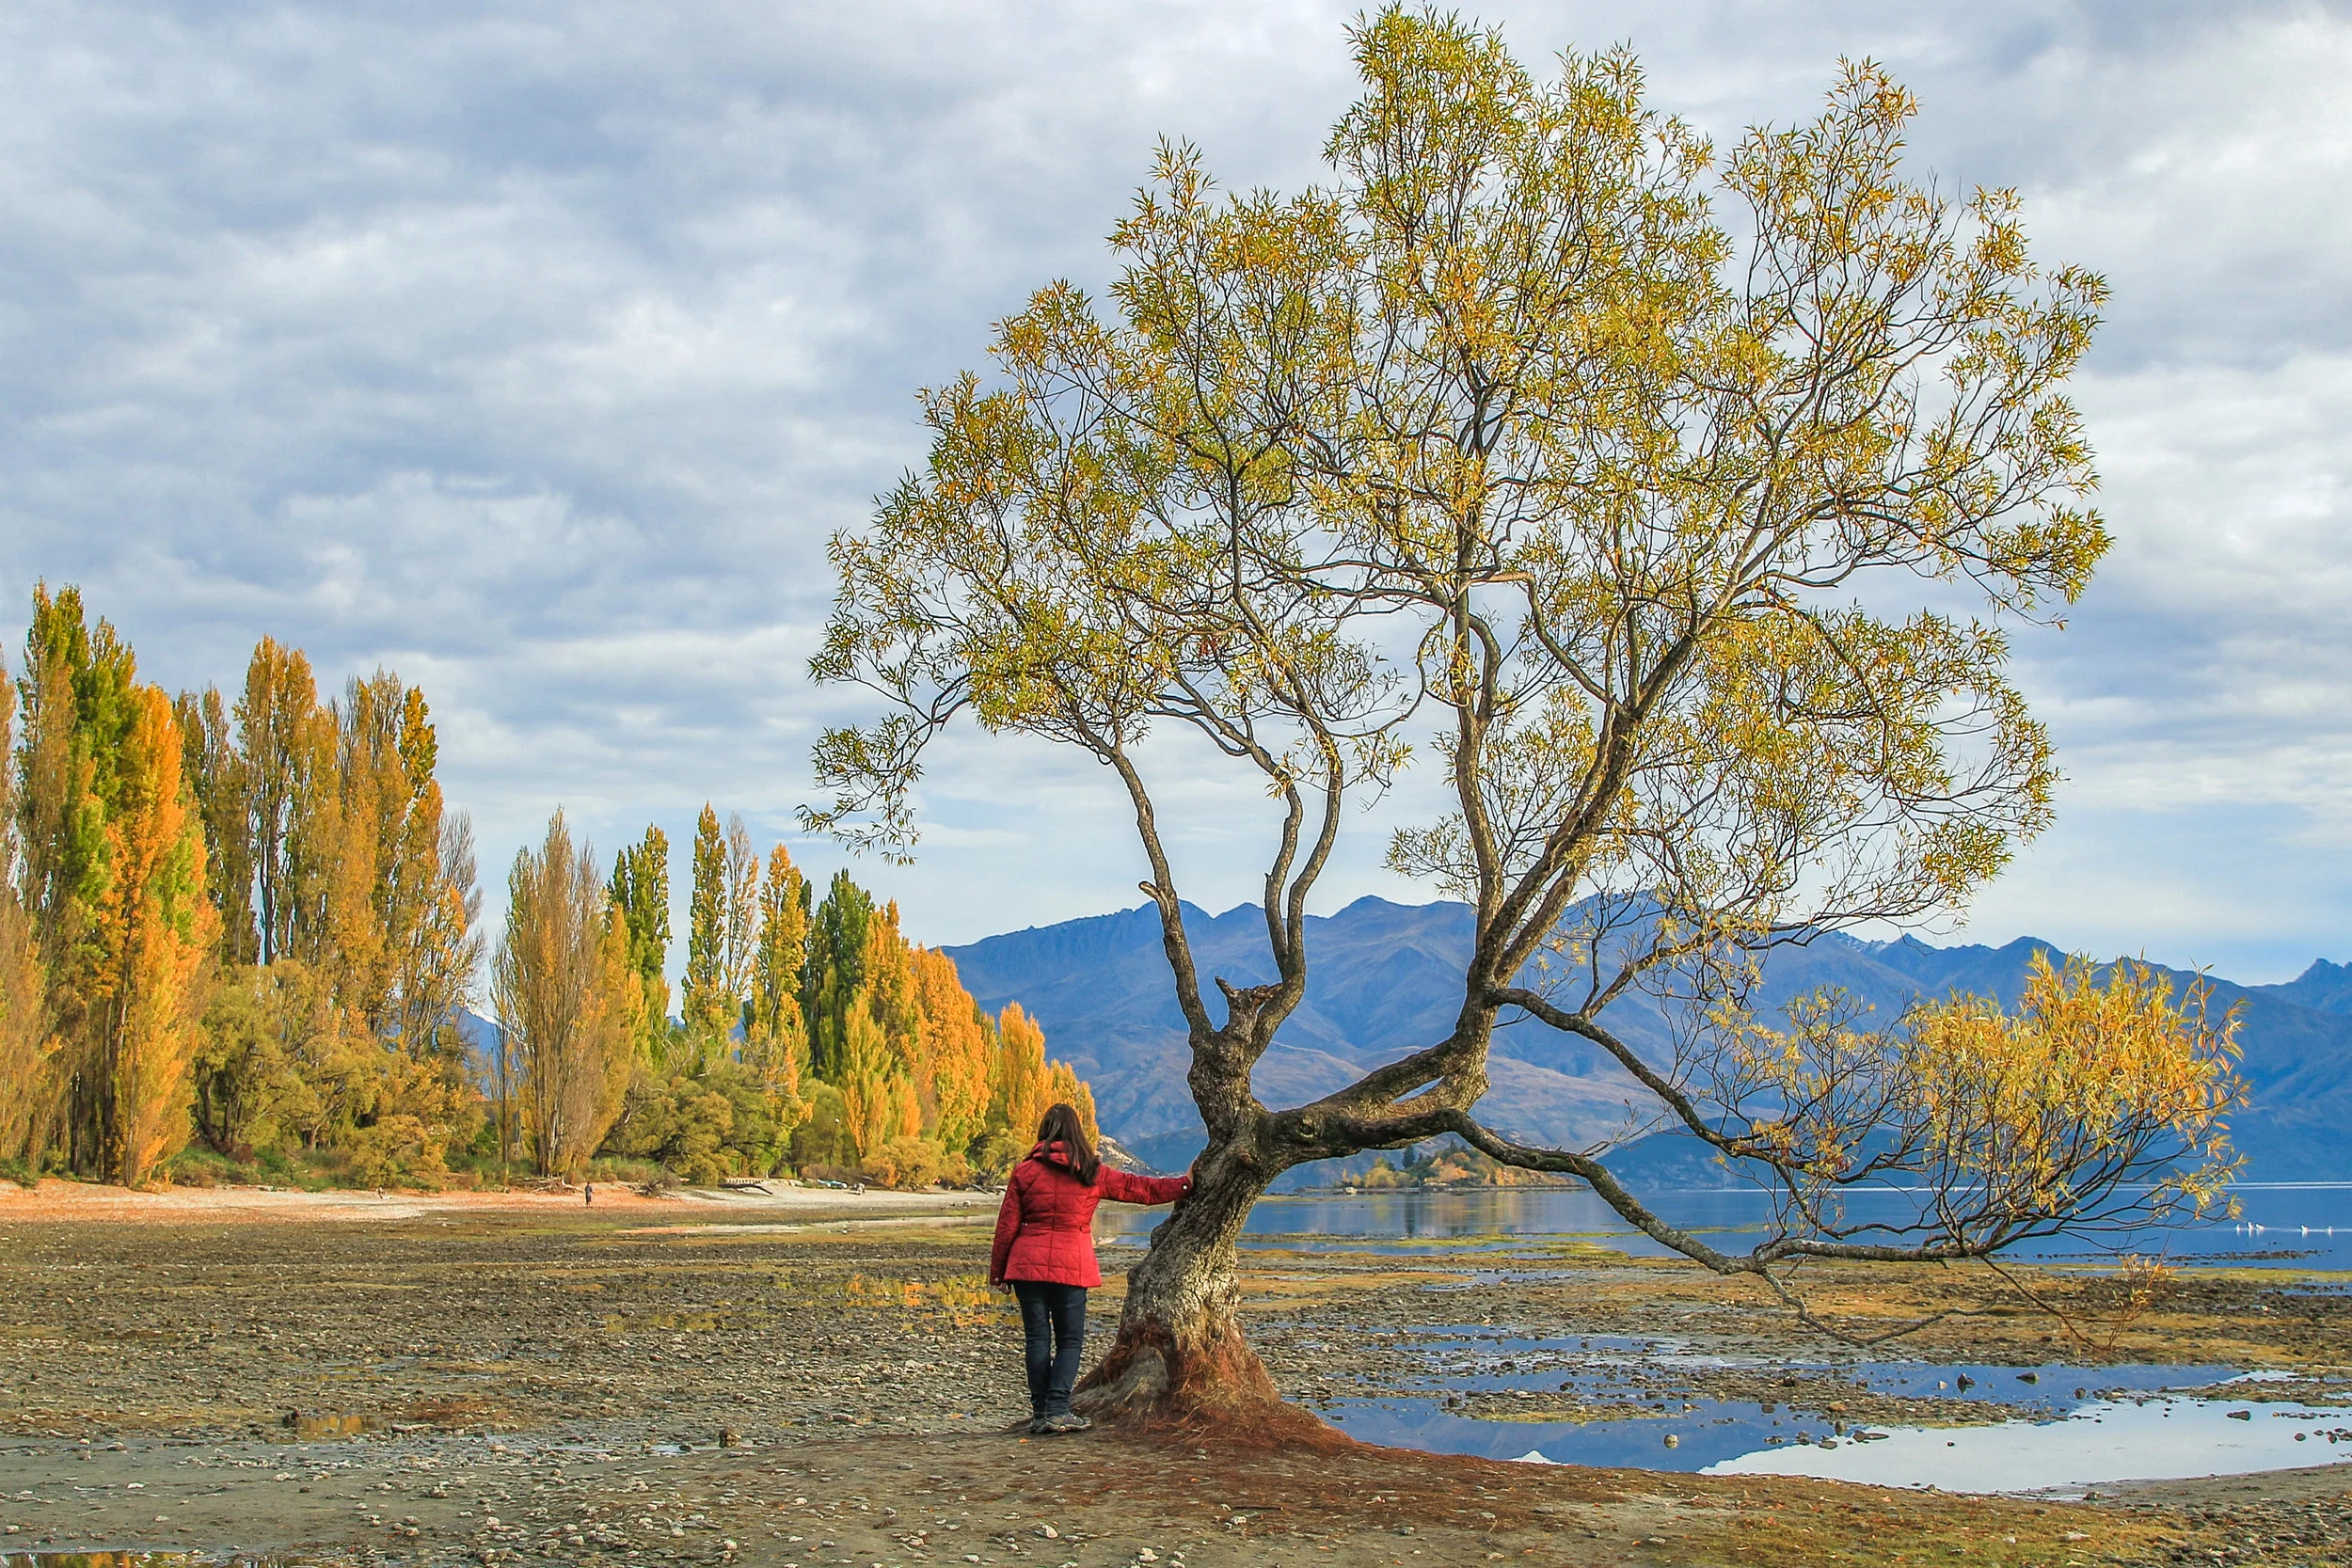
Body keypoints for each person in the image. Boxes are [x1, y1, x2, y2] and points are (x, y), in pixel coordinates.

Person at [988, 1103, 1188, 1434]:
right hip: (1071, 1266)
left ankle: (1040, 1413)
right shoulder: (1091, 1171)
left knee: (1037, 1339)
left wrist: (999, 1272)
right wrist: (1183, 1185)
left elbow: (1007, 1225)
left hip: (1026, 1266)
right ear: (1077, 1132)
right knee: (1070, 1340)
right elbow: (1141, 1190)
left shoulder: (1025, 1172)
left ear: (1044, 1132)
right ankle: (1057, 1409)